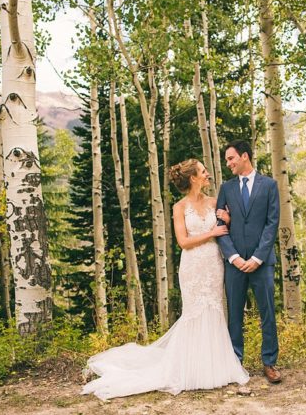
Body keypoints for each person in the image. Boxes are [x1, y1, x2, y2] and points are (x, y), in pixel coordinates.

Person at [81, 159, 249, 400]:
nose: (207, 174)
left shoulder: (214, 202)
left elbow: (228, 231)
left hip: (213, 264)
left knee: (214, 309)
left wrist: (228, 222)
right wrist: (211, 232)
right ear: (193, 178)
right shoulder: (180, 207)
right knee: (194, 312)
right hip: (192, 266)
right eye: (203, 171)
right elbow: (183, 241)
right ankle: (189, 368)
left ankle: (213, 367)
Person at [215, 140, 282, 384]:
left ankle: (269, 362)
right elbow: (219, 225)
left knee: (267, 313)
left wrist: (256, 258)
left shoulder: (269, 185)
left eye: (231, 158)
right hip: (234, 264)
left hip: (261, 263)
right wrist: (233, 257)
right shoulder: (226, 188)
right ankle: (235, 363)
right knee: (234, 314)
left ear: (244, 156)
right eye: (226, 160)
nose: (228, 163)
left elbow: (272, 224)